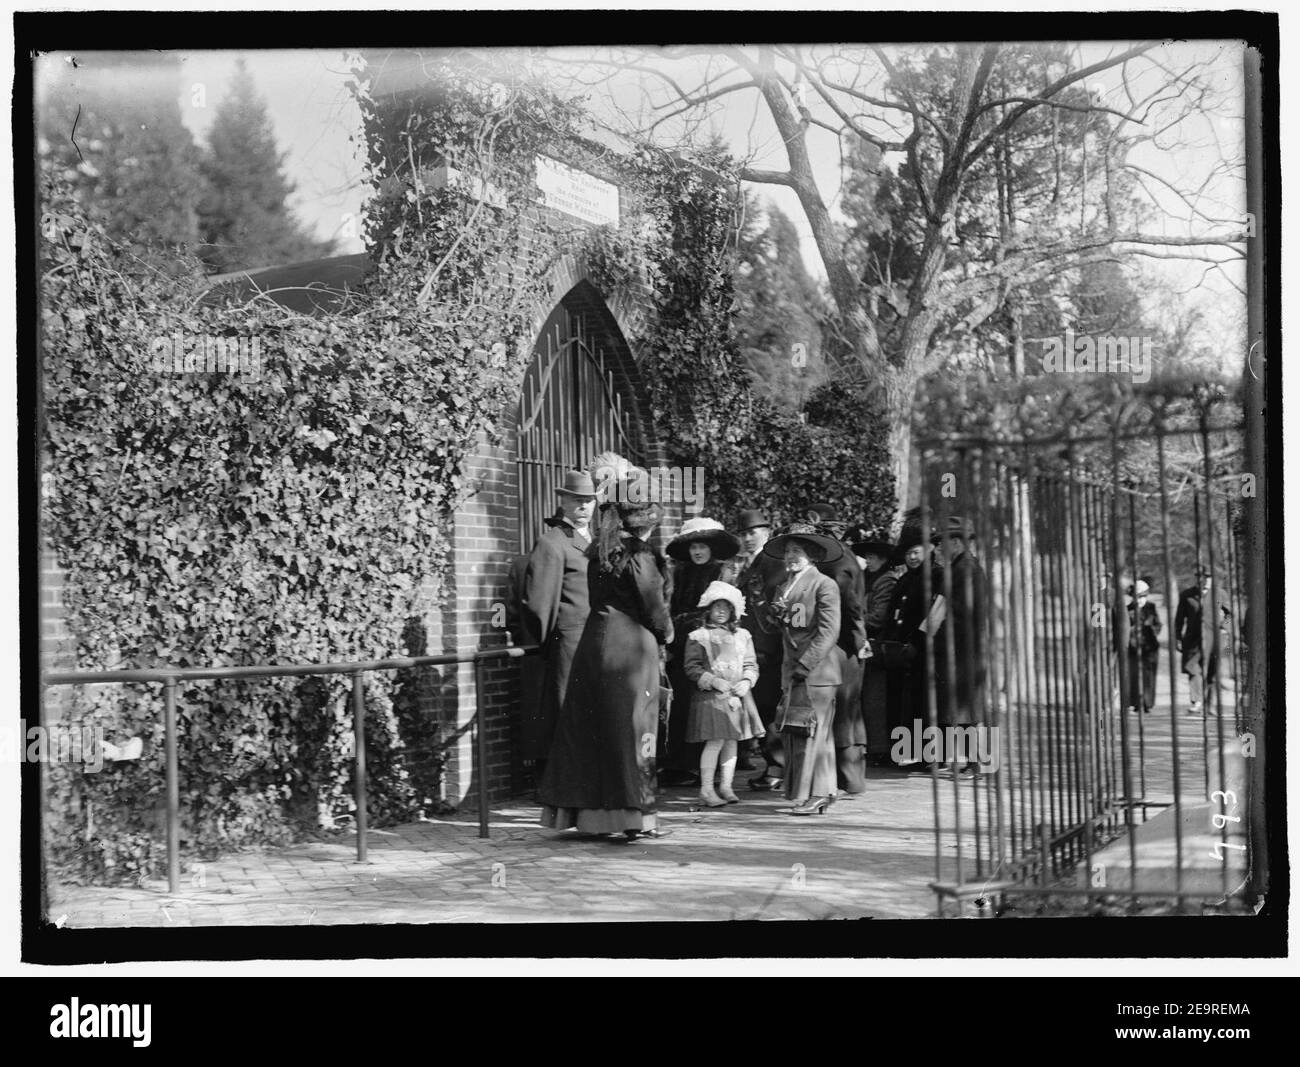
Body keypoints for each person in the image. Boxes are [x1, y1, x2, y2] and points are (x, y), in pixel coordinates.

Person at [538, 472, 673, 842]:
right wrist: (668, 634)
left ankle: (588, 817)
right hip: (631, 648)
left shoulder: (598, 549)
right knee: (636, 731)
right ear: (648, 522)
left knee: (591, 730)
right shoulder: (640, 553)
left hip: (593, 646)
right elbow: (653, 609)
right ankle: (637, 817)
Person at [517, 469, 596, 784]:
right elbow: (539, 604)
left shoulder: (595, 540)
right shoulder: (551, 543)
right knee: (568, 715)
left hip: (596, 642)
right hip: (570, 642)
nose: (583, 507)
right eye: (577, 500)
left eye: (588, 500)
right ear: (562, 501)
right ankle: (568, 787)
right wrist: (554, 640)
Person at [763, 522, 843, 815]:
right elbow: (782, 629)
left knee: (815, 733)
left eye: (797, 551)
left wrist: (806, 664)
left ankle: (818, 793)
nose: (790, 557)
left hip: (817, 673)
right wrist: (773, 616)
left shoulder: (824, 585)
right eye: (787, 552)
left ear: (811, 555)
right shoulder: (785, 586)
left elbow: (828, 631)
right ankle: (821, 791)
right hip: (793, 671)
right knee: (804, 733)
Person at [662, 517, 742, 786]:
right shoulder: (679, 573)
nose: (697, 552)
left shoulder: (722, 572)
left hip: (710, 648)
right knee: (681, 705)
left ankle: (701, 767)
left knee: (706, 706)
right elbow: (669, 607)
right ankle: (679, 764)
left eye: (702, 547)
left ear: (712, 548)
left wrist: (684, 624)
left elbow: (718, 614)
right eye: (693, 547)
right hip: (680, 646)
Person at [804, 503, 869, 795]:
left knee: (841, 710)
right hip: (847, 643)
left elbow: (850, 605)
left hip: (840, 645)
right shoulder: (847, 555)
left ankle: (846, 779)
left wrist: (858, 638)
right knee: (848, 710)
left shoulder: (832, 560)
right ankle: (851, 779)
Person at [683, 581, 764, 807]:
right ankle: (707, 789)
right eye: (716, 606)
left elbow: (750, 663)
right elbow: (692, 667)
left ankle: (726, 786)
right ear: (708, 609)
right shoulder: (699, 636)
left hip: (737, 696)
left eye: (726, 608)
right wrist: (713, 680)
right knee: (716, 740)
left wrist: (747, 681)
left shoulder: (742, 636)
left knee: (732, 740)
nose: (721, 612)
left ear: (733, 611)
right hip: (712, 696)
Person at [734, 508, 788, 791]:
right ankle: (773, 764)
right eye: (743, 534)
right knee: (765, 708)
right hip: (753, 646)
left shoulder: (772, 562)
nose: (748, 538)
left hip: (768, 647)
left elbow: (772, 611)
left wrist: (763, 649)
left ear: (767, 531)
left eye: (753, 532)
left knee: (771, 707)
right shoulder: (751, 563)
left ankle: (776, 766)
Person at [930, 516, 987, 776]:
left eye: (943, 542)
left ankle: (977, 763)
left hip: (962, 650)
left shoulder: (964, 570)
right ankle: (972, 762)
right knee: (963, 710)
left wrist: (937, 636)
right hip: (965, 650)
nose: (940, 548)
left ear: (956, 542)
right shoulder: (966, 567)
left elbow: (955, 612)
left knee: (964, 711)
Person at [881, 520, 938, 770]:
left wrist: (917, 642)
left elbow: (934, 615)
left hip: (923, 651)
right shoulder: (904, 580)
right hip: (899, 650)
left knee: (921, 704)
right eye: (908, 553)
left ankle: (927, 755)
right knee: (900, 702)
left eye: (916, 552)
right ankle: (903, 752)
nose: (912, 557)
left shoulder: (936, 576)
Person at [847, 526, 899, 765]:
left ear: (884, 559)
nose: (869, 560)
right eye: (867, 556)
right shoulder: (866, 578)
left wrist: (853, 623)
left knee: (874, 698)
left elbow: (878, 616)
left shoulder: (886, 581)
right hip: (864, 641)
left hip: (877, 643)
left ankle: (879, 747)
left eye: (874, 556)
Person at [1175, 569, 1217, 715]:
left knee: (1212, 672)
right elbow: (1179, 619)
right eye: (1200, 577)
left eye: (1207, 577)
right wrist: (1177, 637)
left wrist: (1225, 627)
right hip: (1192, 640)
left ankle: (1209, 704)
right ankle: (1196, 701)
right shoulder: (1186, 595)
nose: (1204, 580)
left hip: (1215, 640)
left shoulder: (1220, 594)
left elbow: (1229, 614)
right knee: (1193, 669)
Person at [1128, 579, 1162, 713]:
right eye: (1138, 597)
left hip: (1150, 648)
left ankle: (1147, 703)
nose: (1141, 600)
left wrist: (1153, 630)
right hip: (1133, 648)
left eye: (1143, 596)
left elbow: (1158, 624)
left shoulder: (1151, 608)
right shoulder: (1128, 609)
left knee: (1149, 676)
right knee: (1135, 675)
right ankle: (1136, 702)